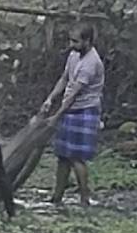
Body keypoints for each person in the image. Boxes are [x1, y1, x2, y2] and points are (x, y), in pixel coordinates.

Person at [39, 22, 105, 207]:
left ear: (88, 41)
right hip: (70, 109)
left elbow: (74, 94)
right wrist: (50, 99)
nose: (72, 44)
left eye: (75, 41)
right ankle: (56, 197)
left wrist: (56, 116)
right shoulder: (74, 55)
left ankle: (84, 198)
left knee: (77, 157)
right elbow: (65, 79)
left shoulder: (91, 63)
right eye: (70, 40)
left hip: (84, 110)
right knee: (62, 156)